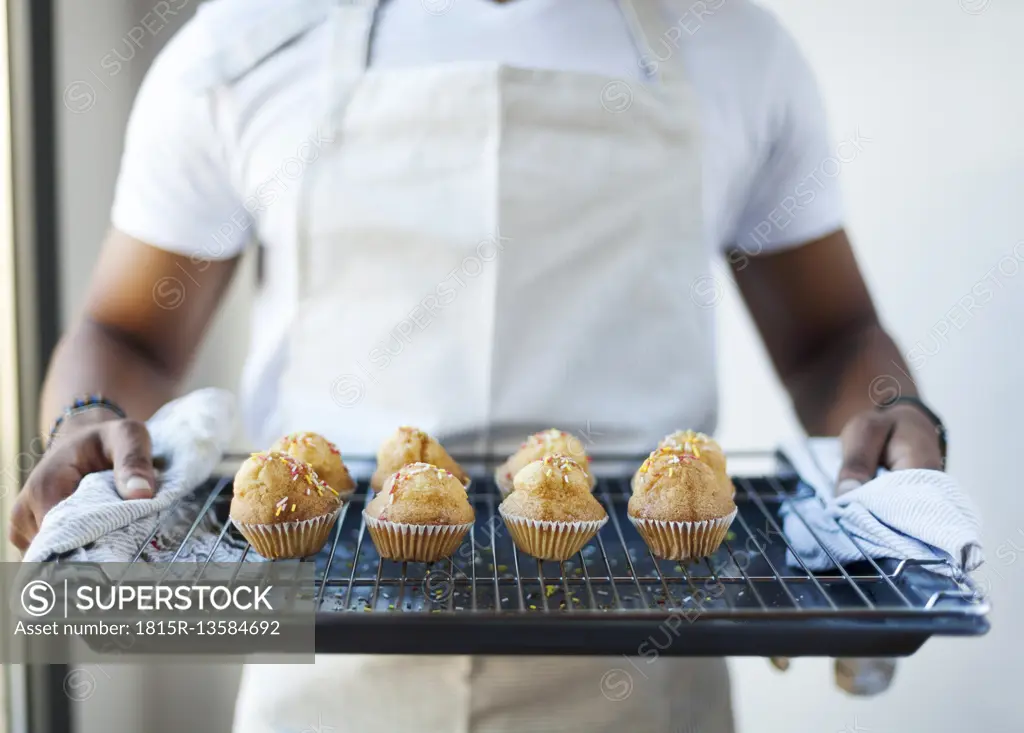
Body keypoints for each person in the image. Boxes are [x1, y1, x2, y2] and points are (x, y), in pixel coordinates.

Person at [12, 0, 946, 730]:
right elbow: (130, 331)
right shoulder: (240, 46)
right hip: (325, 671)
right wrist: (88, 414)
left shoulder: (736, 49)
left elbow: (833, 339)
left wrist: (892, 408)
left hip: (648, 669)